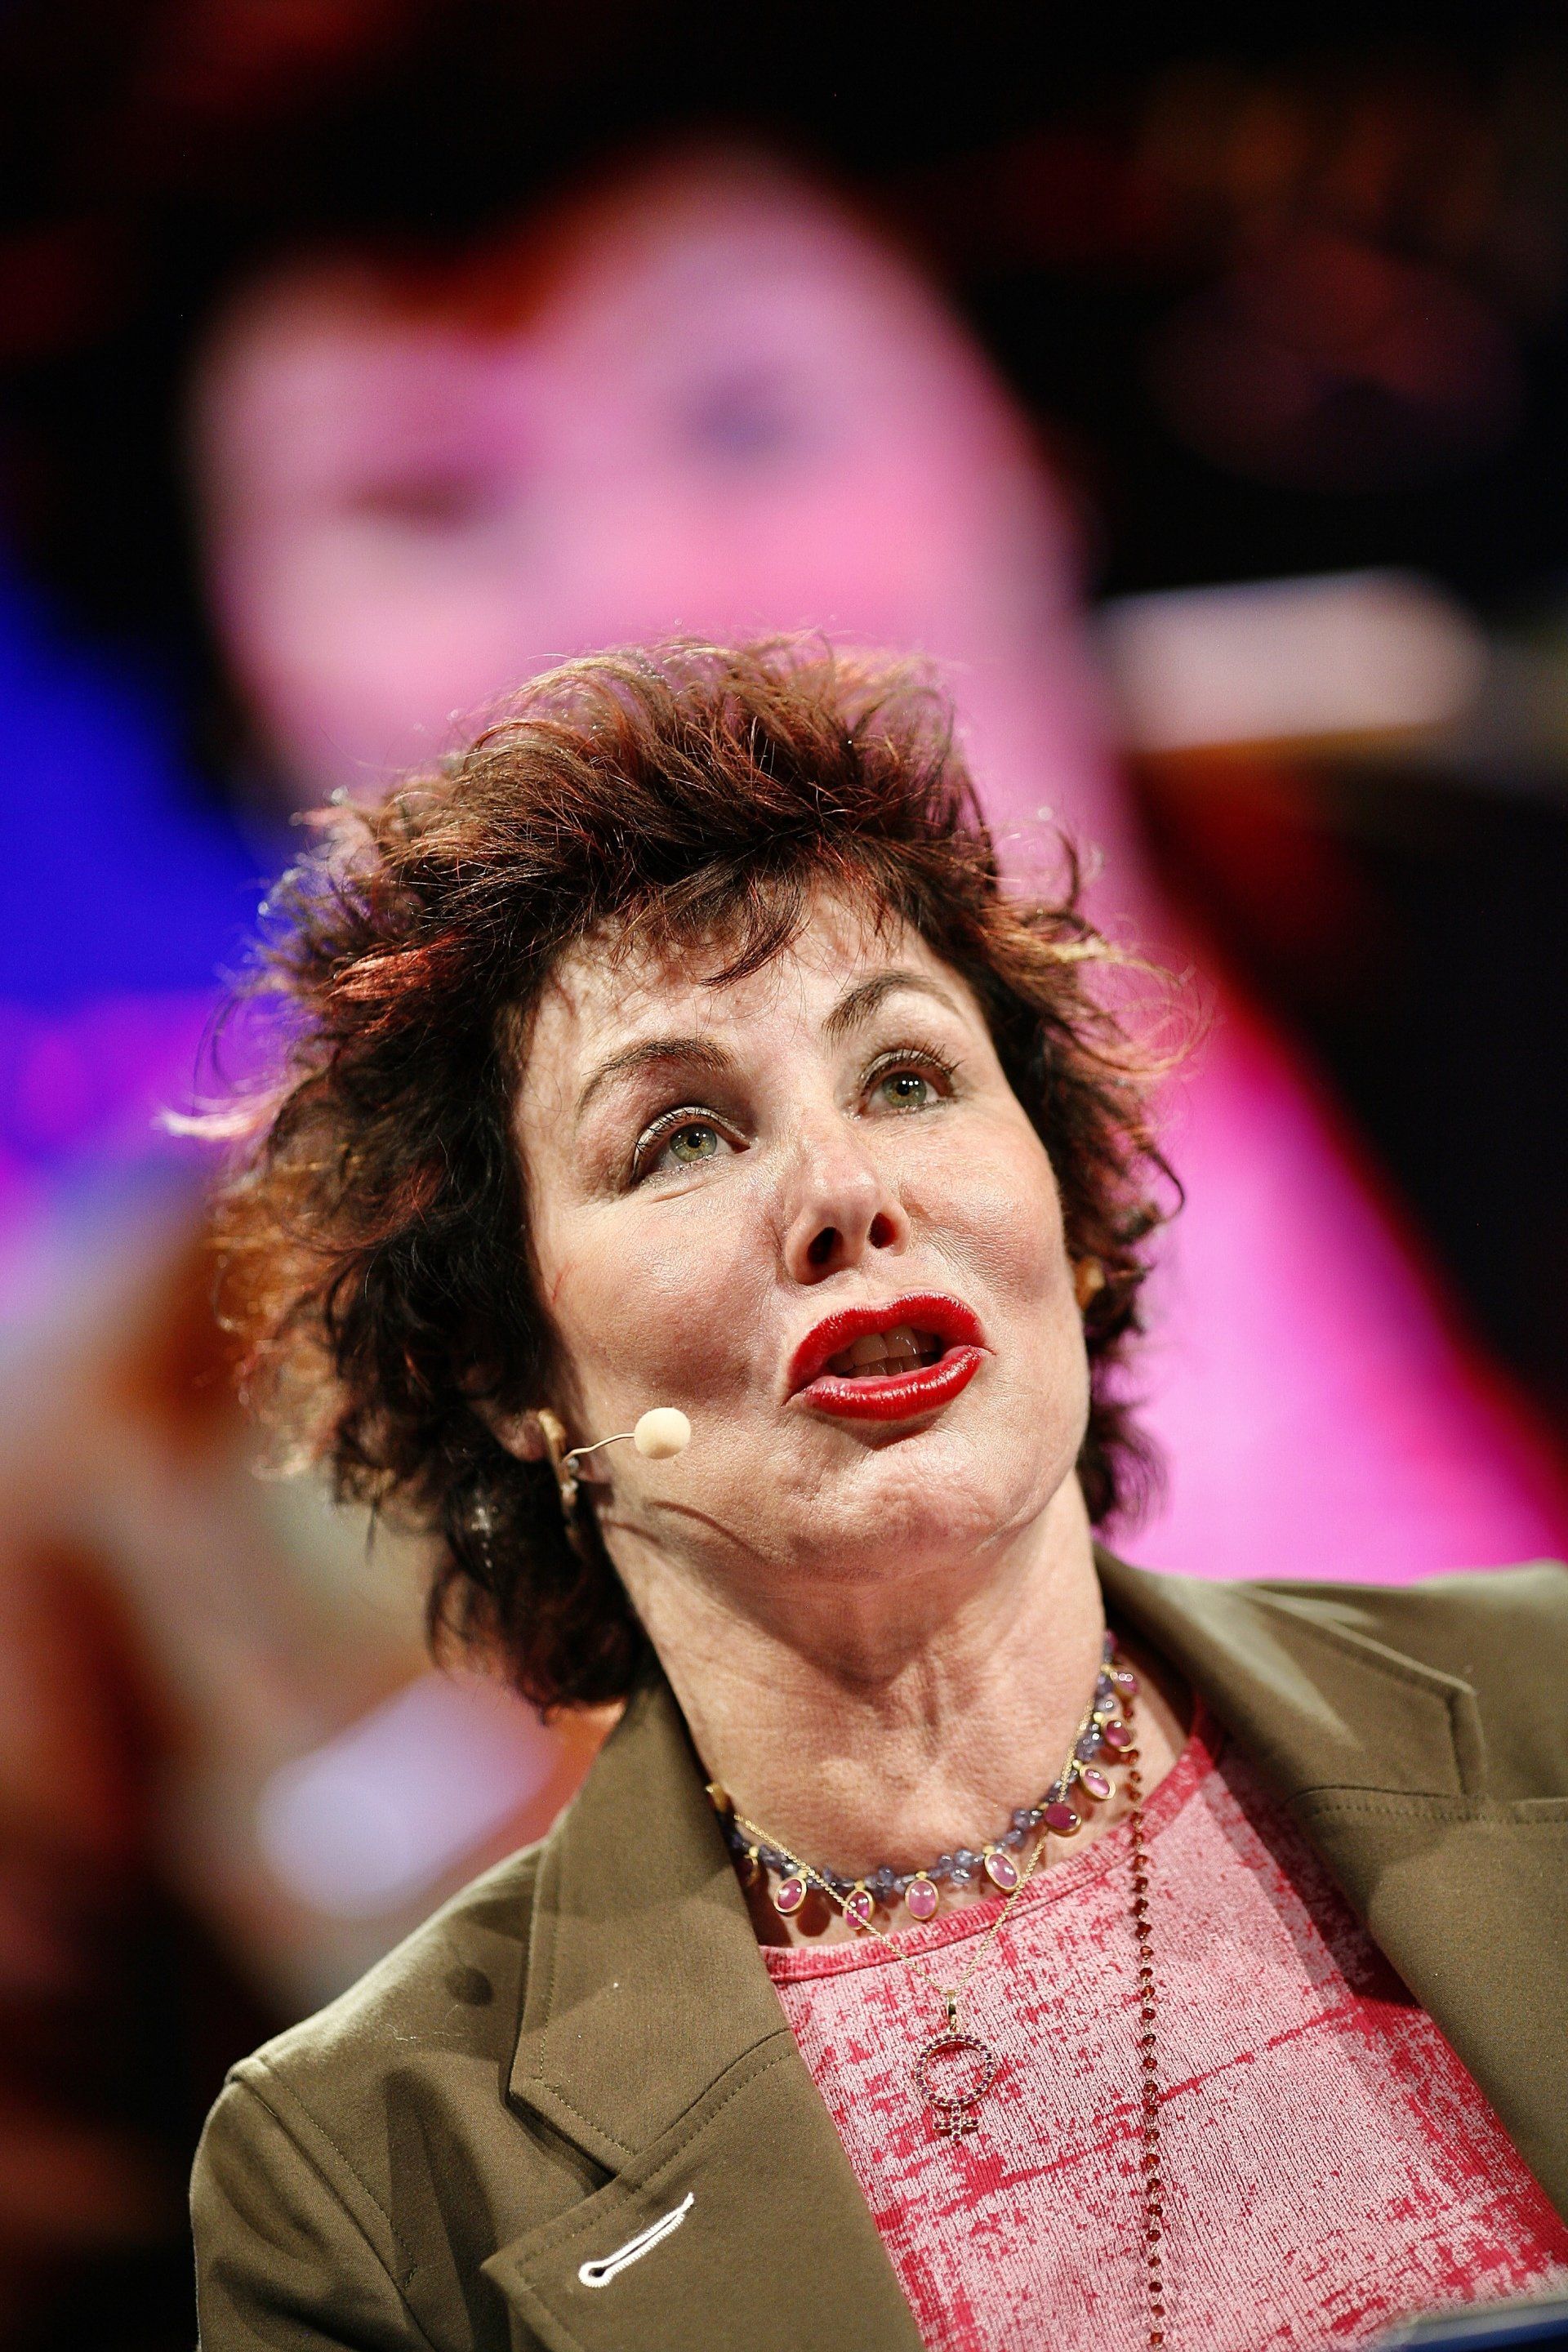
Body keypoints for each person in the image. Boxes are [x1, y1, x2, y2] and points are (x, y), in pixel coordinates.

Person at [189, 639, 1568, 2352]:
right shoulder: (369, 2177)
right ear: (509, 1377)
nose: (844, 1189)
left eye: (908, 1079)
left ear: (1068, 1219)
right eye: (682, 1136)